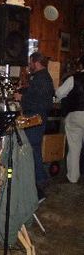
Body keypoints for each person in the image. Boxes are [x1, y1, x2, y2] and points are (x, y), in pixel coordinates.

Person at [14, 51, 54, 202]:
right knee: (34, 149)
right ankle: (41, 179)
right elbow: (37, 96)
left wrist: (22, 97)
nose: (29, 65)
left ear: (36, 62)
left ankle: (39, 183)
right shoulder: (42, 77)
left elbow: (41, 103)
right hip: (37, 119)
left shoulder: (41, 78)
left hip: (35, 119)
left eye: (31, 62)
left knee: (31, 150)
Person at [55, 55, 84, 183]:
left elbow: (59, 93)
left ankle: (73, 177)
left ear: (81, 65)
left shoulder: (74, 78)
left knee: (74, 147)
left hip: (76, 114)